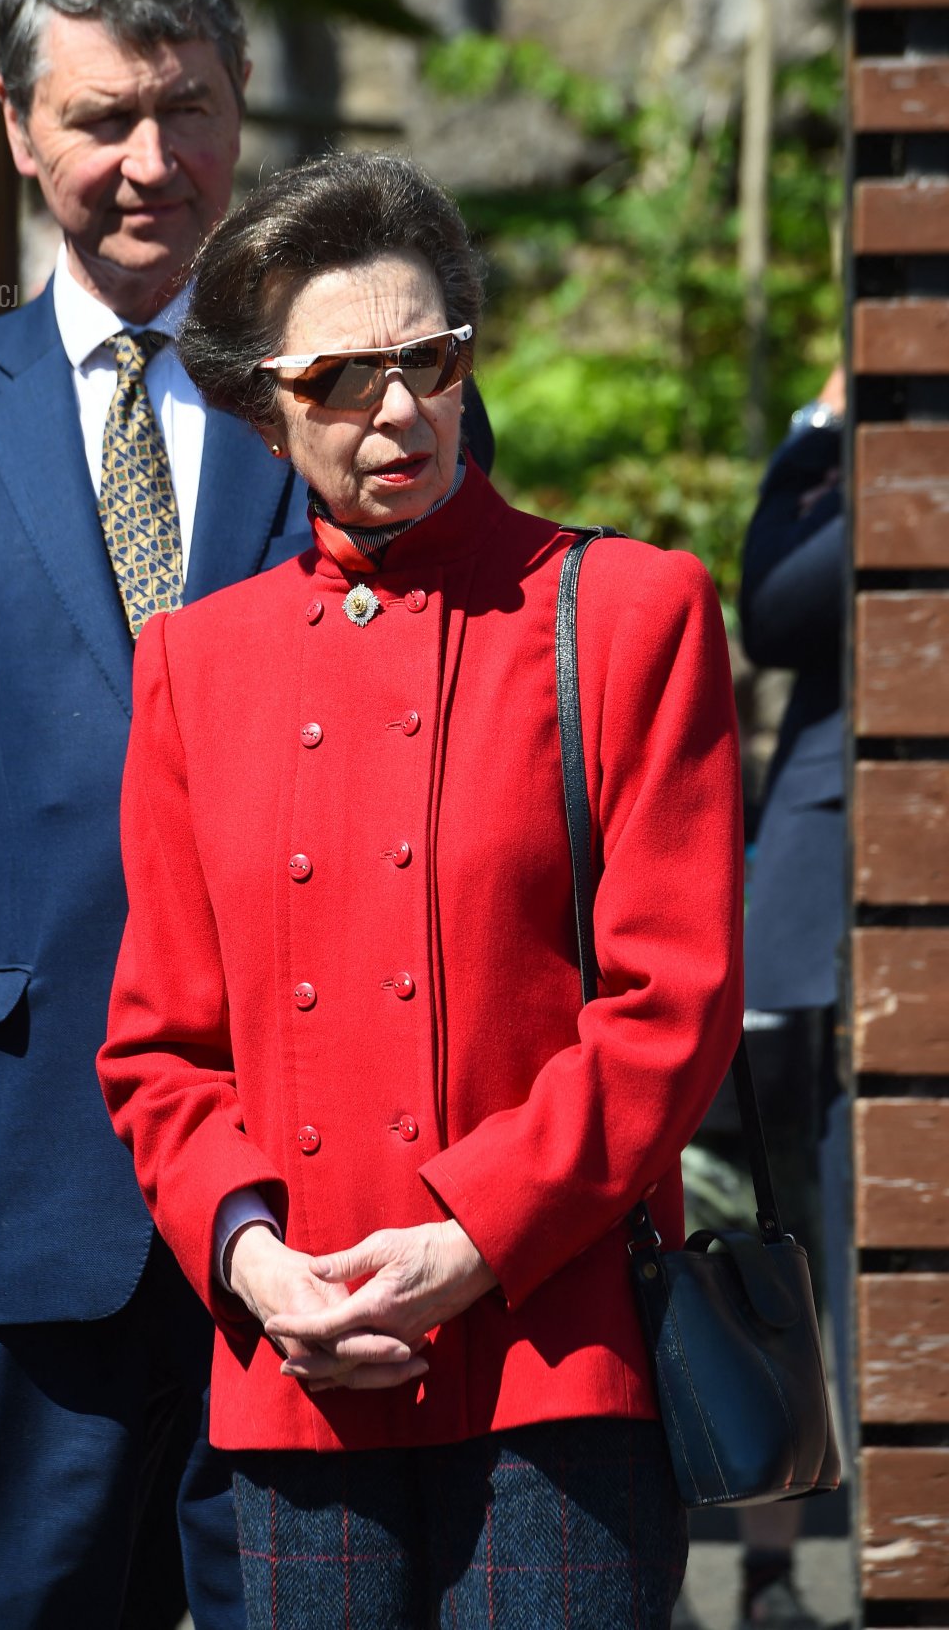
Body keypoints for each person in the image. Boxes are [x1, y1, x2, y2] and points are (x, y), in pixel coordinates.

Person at [0, 0, 495, 1630]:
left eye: (185, 107)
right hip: (29, 1171)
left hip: (326, 1202)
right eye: (101, 115)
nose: (150, 160)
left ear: (244, 101)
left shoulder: (368, 401)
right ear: (14, 123)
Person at [98, 150, 744, 1629]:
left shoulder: (633, 609)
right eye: (335, 378)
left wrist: (469, 1239)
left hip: (559, 1359)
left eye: (429, 360)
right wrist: (259, 1269)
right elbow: (159, 1048)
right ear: (262, 408)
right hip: (300, 1376)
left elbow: (673, 1007)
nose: (395, 411)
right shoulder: (195, 668)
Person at [732, 368, 847, 1630]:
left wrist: (824, 426)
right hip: (794, 950)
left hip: (836, 939)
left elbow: (775, 600)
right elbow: (773, 602)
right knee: (771, 1237)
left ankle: (766, 1568)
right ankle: (764, 1563)